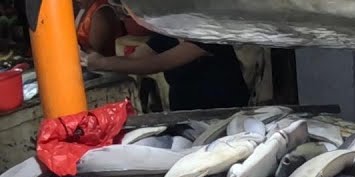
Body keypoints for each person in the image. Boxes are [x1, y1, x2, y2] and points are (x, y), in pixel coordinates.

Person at [83, 34, 250, 111]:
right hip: (184, 111)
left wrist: (102, 63)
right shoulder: (167, 37)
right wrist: (97, 62)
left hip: (224, 111)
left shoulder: (207, 37)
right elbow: (135, 59)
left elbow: (155, 64)